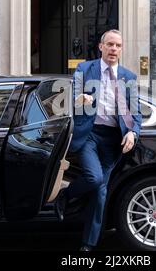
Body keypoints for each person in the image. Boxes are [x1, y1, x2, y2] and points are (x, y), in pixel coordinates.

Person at [54, 29, 142, 251]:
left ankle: (88, 244)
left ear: (121, 49)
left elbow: (135, 111)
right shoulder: (85, 68)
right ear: (101, 47)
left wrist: (133, 132)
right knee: (93, 179)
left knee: (100, 191)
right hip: (90, 135)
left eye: (118, 46)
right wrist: (78, 98)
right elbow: (68, 98)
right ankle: (65, 195)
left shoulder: (128, 77)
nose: (114, 49)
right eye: (110, 44)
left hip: (114, 141)